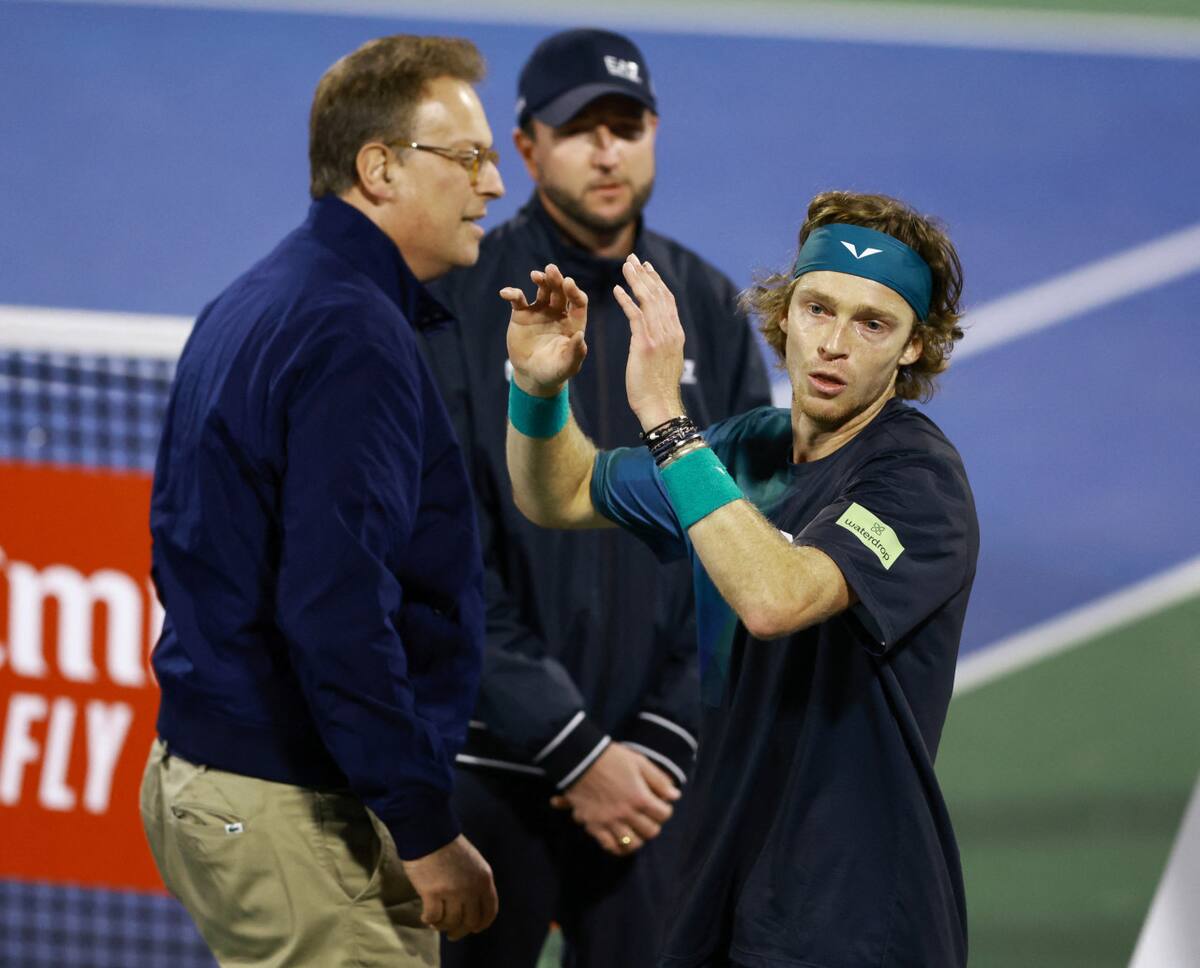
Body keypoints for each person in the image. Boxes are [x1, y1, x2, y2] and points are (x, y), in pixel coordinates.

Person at [502, 190, 978, 967]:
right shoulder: (743, 451)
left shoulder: (917, 482)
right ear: (786, 314)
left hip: (850, 918)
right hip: (723, 885)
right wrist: (537, 389)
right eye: (819, 309)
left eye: (872, 324)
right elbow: (559, 493)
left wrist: (667, 420)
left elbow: (776, 598)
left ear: (913, 347)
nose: (834, 344)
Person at [139, 35, 505, 966]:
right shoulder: (352, 333)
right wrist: (422, 826)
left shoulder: (258, 294)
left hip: (209, 780)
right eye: (469, 157)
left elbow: (183, 536)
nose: (495, 185)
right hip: (296, 808)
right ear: (379, 168)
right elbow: (335, 607)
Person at [421, 26, 770, 968]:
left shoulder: (706, 305)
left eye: (628, 126)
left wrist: (662, 736)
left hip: (656, 783)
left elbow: (744, 532)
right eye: (580, 130)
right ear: (527, 148)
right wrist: (573, 747)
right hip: (488, 771)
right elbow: (440, 556)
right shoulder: (459, 303)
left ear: (655, 133)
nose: (608, 151)